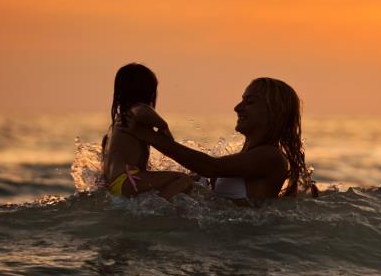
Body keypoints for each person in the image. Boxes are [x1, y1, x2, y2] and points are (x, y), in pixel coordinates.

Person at [127, 77, 317, 200]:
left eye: (249, 102)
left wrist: (149, 136)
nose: (237, 107)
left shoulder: (271, 157)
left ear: (273, 111)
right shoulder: (245, 156)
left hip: (246, 251)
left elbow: (209, 166)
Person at [102, 63, 193, 200]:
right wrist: (163, 126)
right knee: (183, 180)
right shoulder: (137, 110)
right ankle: (160, 207)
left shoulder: (115, 127)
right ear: (149, 92)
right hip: (127, 180)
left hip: (115, 183)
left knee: (190, 179)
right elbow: (141, 111)